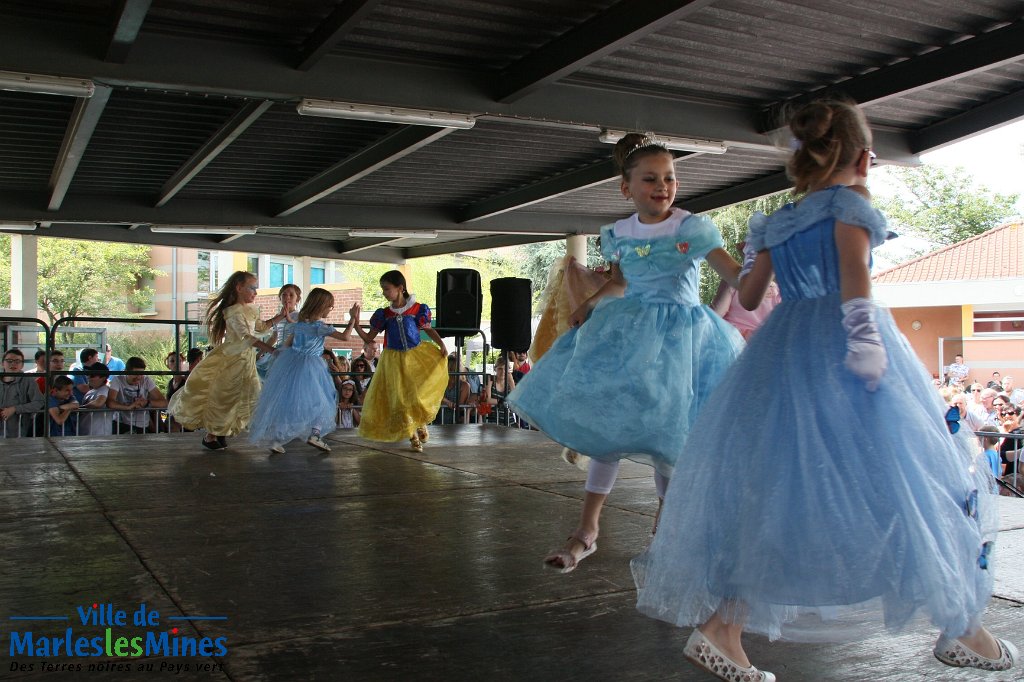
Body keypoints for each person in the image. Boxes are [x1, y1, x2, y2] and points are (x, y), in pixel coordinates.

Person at [632, 99, 1015, 681]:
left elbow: (752, 299)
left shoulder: (775, 223)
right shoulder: (852, 205)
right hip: (844, 349)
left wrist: (759, 253)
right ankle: (962, 628)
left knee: (782, 493)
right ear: (865, 157)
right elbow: (856, 289)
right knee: (916, 481)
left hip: (783, 355)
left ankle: (722, 629)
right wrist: (867, 355)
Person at [506, 132, 745, 574]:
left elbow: (735, 276)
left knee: (669, 440)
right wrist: (587, 304)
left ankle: (663, 534)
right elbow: (619, 282)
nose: (663, 186)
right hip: (631, 335)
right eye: (651, 178)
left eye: (670, 178)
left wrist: (763, 264)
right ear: (627, 187)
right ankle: (587, 532)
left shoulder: (691, 227)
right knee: (610, 431)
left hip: (683, 341)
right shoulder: (619, 233)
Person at [167, 271, 293, 450]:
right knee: (228, 397)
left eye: (256, 288)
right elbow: (246, 336)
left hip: (245, 360)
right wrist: (271, 350)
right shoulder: (233, 312)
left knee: (247, 395)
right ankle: (214, 434)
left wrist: (281, 315)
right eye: (252, 288)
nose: (255, 292)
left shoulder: (249, 310)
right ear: (239, 288)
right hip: (232, 360)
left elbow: (262, 327)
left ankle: (220, 433)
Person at [248, 288, 356, 454]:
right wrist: (352, 320)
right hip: (312, 366)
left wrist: (281, 358)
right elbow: (346, 337)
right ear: (321, 306)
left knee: (290, 402)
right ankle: (315, 434)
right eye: (330, 307)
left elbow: (287, 345)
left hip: (292, 363)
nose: (330, 310)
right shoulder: (319, 326)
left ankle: (277, 439)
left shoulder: (298, 325)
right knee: (326, 399)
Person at [351, 270, 449, 452]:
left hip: (415, 356)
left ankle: (419, 423)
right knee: (400, 399)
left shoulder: (417, 309)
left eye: (387, 289)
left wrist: (441, 343)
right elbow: (369, 337)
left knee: (415, 395)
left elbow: (427, 329)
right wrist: (356, 323)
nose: (384, 293)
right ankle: (412, 436)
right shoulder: (385, 314)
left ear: (400, 288)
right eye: (383, 289)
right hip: (393, 360)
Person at [107, 356, 167, 434]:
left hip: (142, 424)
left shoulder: (146, 380)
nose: (139, 377)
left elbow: (164, 403)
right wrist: (128, 407)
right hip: (121, 423)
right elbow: (110, 402)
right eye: (135, 374)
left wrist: (147, 403)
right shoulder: (117, 380)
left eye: (141, 374)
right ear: (126, 371)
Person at [256, 284, 301, 380]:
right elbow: (273, 337)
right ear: (280, 298)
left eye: (291, 295)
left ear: (297, 300)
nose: (287, 298)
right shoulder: (278, 316)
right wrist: (260, 353)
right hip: (278, 351)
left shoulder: (299, 316)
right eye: (284, 295)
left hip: (292, 352)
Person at [1, 349, 44, 438]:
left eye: (17, 361)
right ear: (2, 363)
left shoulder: (28, 381)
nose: (13, 364)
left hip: (19, 432)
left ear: (22, 365)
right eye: (9, 361)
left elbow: (39, 402)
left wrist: (15, 409)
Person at [481, 353, 517, 426]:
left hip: (509, 422)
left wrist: (512, 382)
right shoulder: (490, 379)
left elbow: (516, 401)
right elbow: (487, 399)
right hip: (493, 422)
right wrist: (504, 402)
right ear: (495, 369)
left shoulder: (510, 383)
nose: (503, 372)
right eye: (500, 369)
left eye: (505, 369)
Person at [78, 362, 113, 436]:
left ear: (103, 378)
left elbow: (98, 403)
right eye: (89, 374)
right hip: (87, 432)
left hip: (98, 434)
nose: (89, 377)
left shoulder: (104, 389)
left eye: (92, 375)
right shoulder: (90, 391)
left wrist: (79, 408)